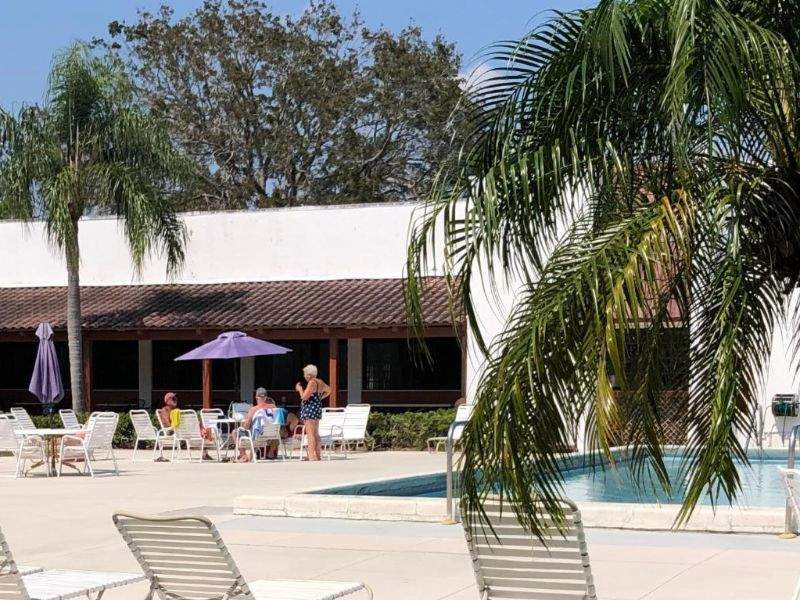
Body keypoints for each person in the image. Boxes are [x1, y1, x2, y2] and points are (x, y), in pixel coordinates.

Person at [295, 364, 330, 461]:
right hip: (317, 408)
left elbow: (304, 397)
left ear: (309, 375)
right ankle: (318, 456)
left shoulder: (312, 382)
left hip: (309, 409)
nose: (304, 376)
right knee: (316, 433)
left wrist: (300, 389)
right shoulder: (320, 382)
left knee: (310, 434)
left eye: (305, 374)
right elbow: (329, 390)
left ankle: (311, 456)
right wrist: (319, 398)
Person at [236, 388, 278, 462]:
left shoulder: (253, 409)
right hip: (272, 436)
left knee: (235, 432)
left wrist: (243, 424)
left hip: (256, 436)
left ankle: (244, 455)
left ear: (256, 397)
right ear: (266, 397)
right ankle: (270, 452)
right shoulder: (273, 407)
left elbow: (246, 427)